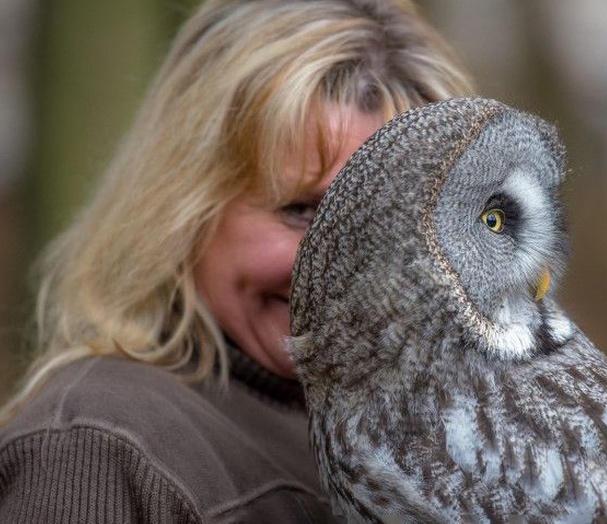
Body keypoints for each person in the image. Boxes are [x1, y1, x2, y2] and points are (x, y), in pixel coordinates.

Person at [0, 0, 473, 521]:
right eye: (301, 211)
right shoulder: (97, 452)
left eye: (397, 222)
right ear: (184, 207)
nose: (351, 269)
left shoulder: (426, 444)